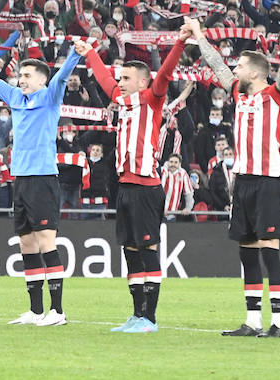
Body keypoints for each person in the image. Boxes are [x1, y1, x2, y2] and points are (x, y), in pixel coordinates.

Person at [0, 40, 80, 326]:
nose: (21, 80)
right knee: (26, 244)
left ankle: (57, 311)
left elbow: (61, 75)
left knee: (46, 241)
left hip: (43, 178)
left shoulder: (50, 96)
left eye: (28, 75)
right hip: (20, 179)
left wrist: (76, 53)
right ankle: (35, 311)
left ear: (42, 80)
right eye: (20, 75)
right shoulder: (15, 98)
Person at [75, 24, 189, 333]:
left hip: (146, 189)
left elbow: (164, 73)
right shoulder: (123, 101)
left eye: (126, 79)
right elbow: (102, 78)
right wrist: (89, 54)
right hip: (124, 187)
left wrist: (178, 43)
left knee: (147, 250)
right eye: (120, 78)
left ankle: (150, 318)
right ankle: (137, 314)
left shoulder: (152, 99)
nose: (119, 83)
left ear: (142, 82)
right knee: (130, 252)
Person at [186, 19, 280, 339]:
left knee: (269, 251)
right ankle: (252, 321)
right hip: (242, 181)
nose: (236, 68)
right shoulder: (239, 93)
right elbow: (216, 63)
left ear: (257, 72)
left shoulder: (277, 94)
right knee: (247, 252)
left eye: (242, 65)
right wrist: (199, 35)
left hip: (269, 181)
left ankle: (279, 324)